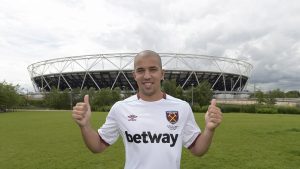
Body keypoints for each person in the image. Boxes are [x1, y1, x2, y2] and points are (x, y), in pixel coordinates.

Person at [72, 50, 223, 169]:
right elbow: (97, 146)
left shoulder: (181, 107)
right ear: (134, 75)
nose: (147, 76)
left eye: (153, 69)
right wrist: (85, 126)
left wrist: (209, 130)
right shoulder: (120, 108)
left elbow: (197, 149)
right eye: (141, 70)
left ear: (162, 74)